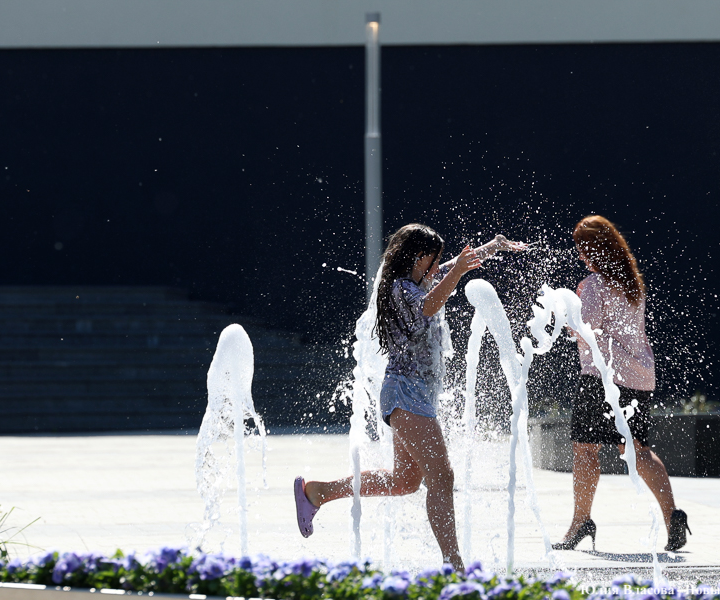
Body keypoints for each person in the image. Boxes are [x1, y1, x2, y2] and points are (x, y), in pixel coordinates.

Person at [294, 223, 525, 571]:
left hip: (413, 395)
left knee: (405, 481)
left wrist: (494, 246)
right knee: (442, 476)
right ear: (418, 258)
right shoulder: (401, 289)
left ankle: (318, 492)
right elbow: (429, 306)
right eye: (434, 261)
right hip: (405, 393)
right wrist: (458, 271)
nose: (438, 267)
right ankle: (455, 566)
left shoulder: (420, 281)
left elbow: (448, 274)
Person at [553, 215, 691, 552]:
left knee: (585, 449)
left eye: (584, 248)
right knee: (637, 449)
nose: (581, 255)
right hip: (639, 376)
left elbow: (585, 332)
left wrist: (563, 313)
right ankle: (673, 515)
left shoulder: (593, 286)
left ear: (598, 248)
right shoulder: (633, 282)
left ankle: (579, 523)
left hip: (603, 377)